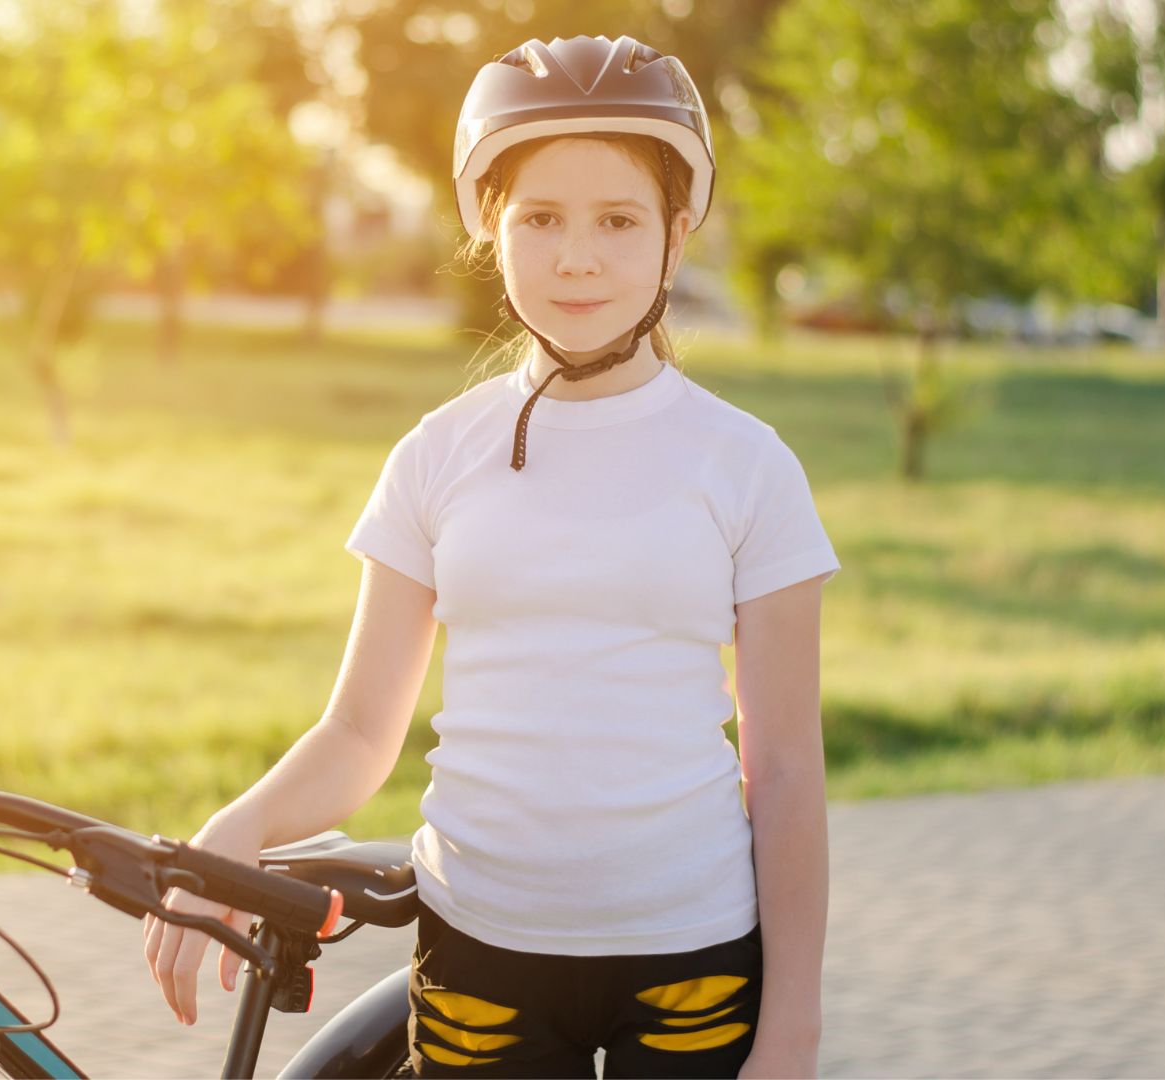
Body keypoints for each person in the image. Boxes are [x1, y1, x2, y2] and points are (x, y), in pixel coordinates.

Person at [144, 34, 837, 1079]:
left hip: (692, 960)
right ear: (489, 229)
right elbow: (358, 729)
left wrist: (792, 1031)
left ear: (676, 234)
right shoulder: (437, 456)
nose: (577, 257)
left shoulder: (747, 466)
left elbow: (782, 770)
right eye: (540, 219)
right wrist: (225, 836)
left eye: (618, 220)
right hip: (483, 955)